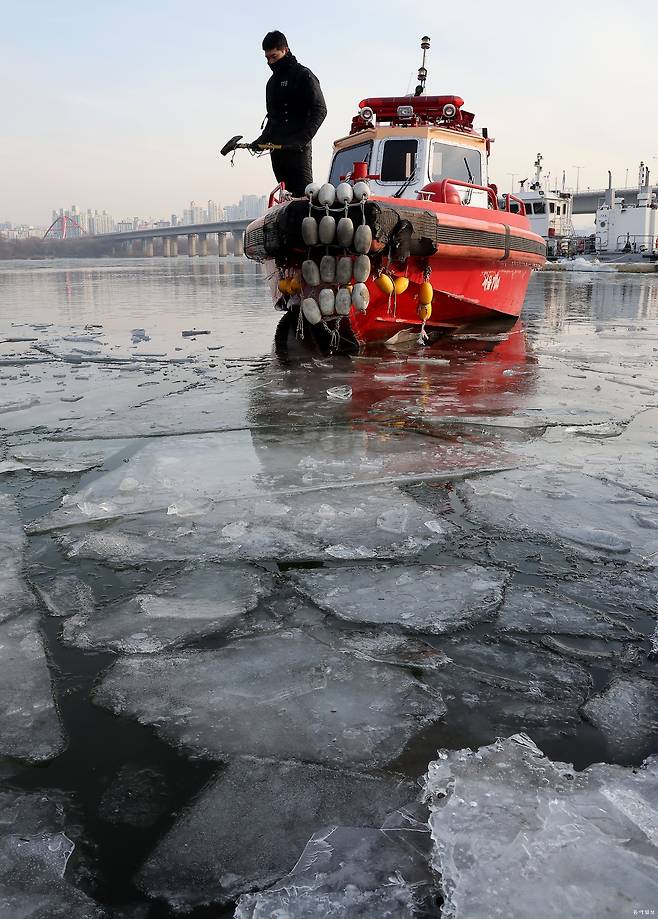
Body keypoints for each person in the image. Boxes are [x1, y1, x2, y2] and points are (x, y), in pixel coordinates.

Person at [252, 31, 327, 197]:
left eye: (274, 56)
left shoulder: (304, 75)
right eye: (267, 58)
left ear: (285, 50)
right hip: (277, 151)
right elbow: (272, 118)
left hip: (299, 151)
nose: (270, 62)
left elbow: (320, 110)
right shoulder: (271, 84)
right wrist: (261, 141)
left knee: (303, 197)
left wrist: (301, 140)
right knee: (285, 196)